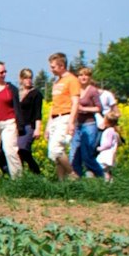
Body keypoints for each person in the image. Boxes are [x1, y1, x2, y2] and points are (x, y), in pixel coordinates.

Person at [45, 52, 81, 180]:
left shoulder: (72, 80)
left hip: (65, 117)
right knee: (56, 153)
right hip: (55, 117)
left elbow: (75, 102)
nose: (51, 69)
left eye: (53, 67)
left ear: (61, 66)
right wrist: (48, 126)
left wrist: (71, 122)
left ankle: (72, 174)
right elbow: (53, 105)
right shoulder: (56, 82)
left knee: (55, 149)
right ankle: (62, 182)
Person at [15, 67, 45, 175]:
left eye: (30, 78)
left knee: (22, 149)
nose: (28, 80)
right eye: (26, 78)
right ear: (21, 79)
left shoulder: (36, 94)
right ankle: (20, 175)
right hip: (19, 126)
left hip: (29, 126)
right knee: (18, 152)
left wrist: (37, 128)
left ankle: (36, 172)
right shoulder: (17, 93)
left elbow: (38, 113)